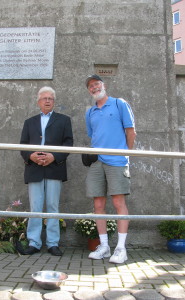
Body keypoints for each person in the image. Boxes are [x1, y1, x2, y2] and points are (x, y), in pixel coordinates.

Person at [85, 74, 136, 263]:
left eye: (96, 83)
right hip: (97, 162)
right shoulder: (89, 112)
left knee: (118, 203)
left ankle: (121, 248)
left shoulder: (119, 104)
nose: (94, 87)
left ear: (103, 85)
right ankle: (104, 246)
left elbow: (130, 132)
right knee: (98, 205)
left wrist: (126, 155)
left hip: (117, 161)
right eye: (90, 86)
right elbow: (94, 136)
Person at [18, 86, 73, 256]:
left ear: (54, 101)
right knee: (35, 207)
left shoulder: (64, 120)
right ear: (38, 102)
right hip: (34, 168)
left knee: (52, 206)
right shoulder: (29, 122)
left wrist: (54, 156)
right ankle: (34, 242)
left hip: (54, 168)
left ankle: (52, 243)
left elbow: (68, 144)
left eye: (50, 98)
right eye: (44, 98)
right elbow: (22, 145)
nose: (48, 101)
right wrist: (31, 156)